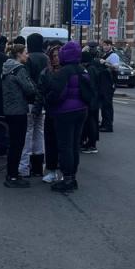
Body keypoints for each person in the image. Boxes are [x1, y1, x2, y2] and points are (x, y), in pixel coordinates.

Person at [46, 41, 90, 194]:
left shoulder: (64, 72)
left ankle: (67, 179)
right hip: (81, 110)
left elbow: (56, 93)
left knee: (65, 147)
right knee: (74, 146)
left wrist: (49, 102)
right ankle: (73, 177)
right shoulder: (83, 70)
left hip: (64, 112)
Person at [1, 43, 37, 188]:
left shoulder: (6, 67)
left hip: (9, 108)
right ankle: (13, 176)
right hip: (19, 110)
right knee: (18, 144)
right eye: (25, 53)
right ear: (19, 54)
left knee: (13, 143)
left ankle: (11, 173)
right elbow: (29, 89)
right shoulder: (19, 69)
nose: (27, 55)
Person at [18, 33, 48, 178]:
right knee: (39, 132)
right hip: (43, 101)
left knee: (28, 133)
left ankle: (24, 167)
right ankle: (38, 166)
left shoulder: (29, 59)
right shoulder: (46, 58)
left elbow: (27, 80)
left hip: (30, 100)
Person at [40, 43, 63, 184]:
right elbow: (41, 90)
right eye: (53, 56)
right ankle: (52, 170)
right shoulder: (46, 72)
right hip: (50, 111)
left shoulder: (66, 72)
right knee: (50, 143)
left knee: (63, 144)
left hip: (63, 112)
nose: (56, 58)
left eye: (58, 56)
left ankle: (63, 171)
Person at [79, 46, 101, 154]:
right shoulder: (93, 68)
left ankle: (91, 144)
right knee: (93, 121)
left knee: (91, 122)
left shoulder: (90, 70)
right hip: (95, 99)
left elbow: (90, 85)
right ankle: (91, 142)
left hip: (91, 100)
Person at [98, 39, 118, 132]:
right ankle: (104, 123)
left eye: (106, 45)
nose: (105, 47)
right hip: (103, 83)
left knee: (107, 105)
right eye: (104, 45)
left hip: (109, 83)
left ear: (110, 45)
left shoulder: (113, 55)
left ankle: (108, 125)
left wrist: (105, 63)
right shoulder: (104, 54)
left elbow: (115, 67)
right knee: (103, 105)